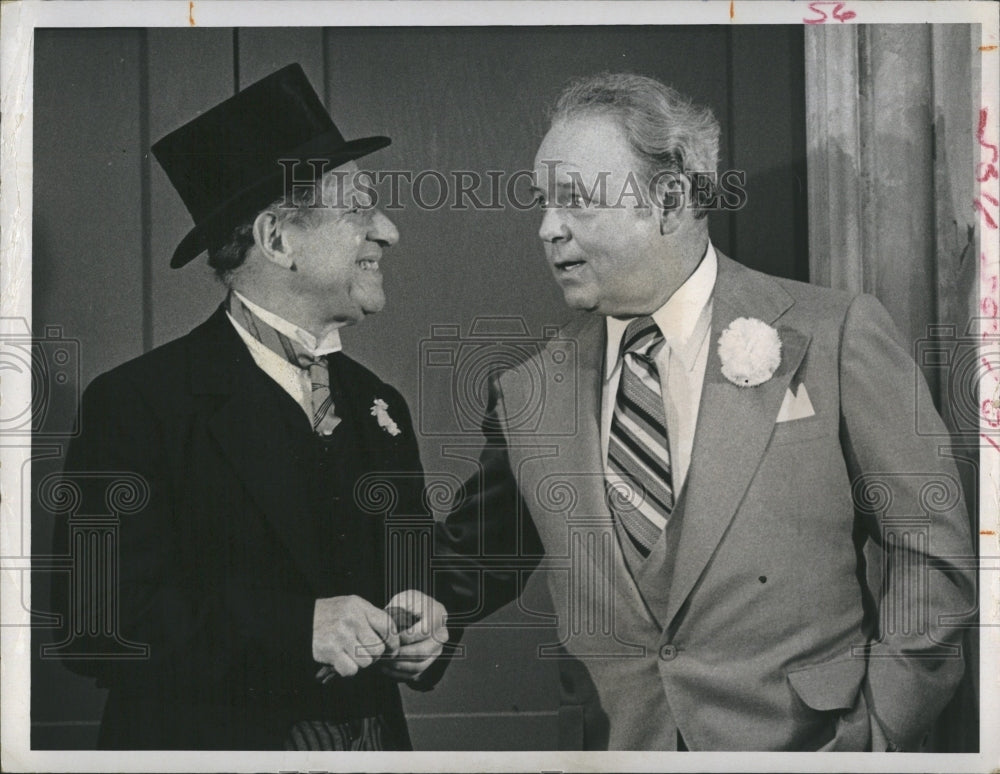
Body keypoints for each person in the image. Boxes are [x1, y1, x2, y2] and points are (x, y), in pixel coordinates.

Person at [433, 72, 975, 751]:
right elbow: (476, 556)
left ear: (668, 199)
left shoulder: (837, 335)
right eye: (543, 202)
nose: (547, 229)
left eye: (576, 201)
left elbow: (934, 555)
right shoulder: (527, 391)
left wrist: (875, 733)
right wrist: (417, 611)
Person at [49, 63, 448, 750]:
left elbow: (409, 580)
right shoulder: (136, 404)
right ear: (277, 240)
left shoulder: (380, 405)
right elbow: (95, 626)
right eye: (358, 208)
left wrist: (430, 626)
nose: (387, 231)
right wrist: (296, 628)